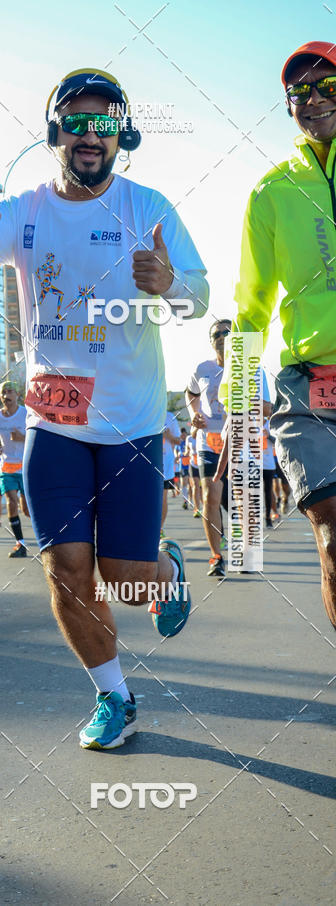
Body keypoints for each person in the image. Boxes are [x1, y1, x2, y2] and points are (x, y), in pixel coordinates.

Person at [0, 67, 208, 749]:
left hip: (132, 425)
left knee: (130, 583)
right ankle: (115, 697)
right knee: (66, 572)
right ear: (56, 131)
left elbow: (196, 298)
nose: (91, 136)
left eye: (105, 124)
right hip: (52, 426)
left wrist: (170, 284)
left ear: (123, 134)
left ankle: (166, 570)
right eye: (78, 123)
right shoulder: (22, 210)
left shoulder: (148, 207)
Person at [227, 40, 336, 628]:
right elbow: (251, 306)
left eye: (329, 87)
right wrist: (239, 396)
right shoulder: (270, 192)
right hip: (308, 387)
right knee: (334, 530)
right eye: (301, 93)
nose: (315, 100)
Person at [186, 321, 230, 577]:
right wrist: (194, 413)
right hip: (209, 441)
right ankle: (216, 557)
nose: (222, 337)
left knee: (237, 502)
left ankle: (243, 548)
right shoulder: (202, 368)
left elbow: (265, 405)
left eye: (228, 332)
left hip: (239, 441)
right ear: (211, 340)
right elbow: (190, 393)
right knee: (208, 497)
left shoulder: (248, 368)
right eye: (217, 334)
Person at [0, 381, 31, 558]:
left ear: (17, 395)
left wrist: (23, 437)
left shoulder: (27, 413)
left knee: (27, 509)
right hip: (7, 467)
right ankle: (19, 544)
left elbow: (38, 436)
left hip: (26, 466)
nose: (7, 395)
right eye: (3, 392)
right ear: (0, 396)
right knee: (11, 502)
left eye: (10, 392)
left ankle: (49, 535)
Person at [161, 410, 181, 536]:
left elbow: (178, 440)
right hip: (146, 461)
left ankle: (159, 529)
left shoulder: (169, 416)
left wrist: (168, 436)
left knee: (162, 499)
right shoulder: (144, 409)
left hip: (165, 464)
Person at [187, 431, 203, 517]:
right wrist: (186, 453)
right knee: (195, 486)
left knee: (202, 488)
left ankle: (205, 507)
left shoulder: (203, 434)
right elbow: (187, 450)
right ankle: (197, 509)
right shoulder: (189, 438)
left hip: (203, 464)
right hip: (193, 464)